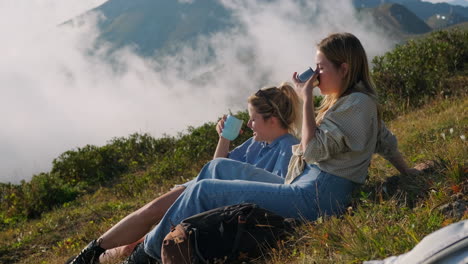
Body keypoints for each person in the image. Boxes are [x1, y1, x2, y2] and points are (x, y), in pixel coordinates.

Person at [118, 32, 425, 263]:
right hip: (306, 185)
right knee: (218, 167)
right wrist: (407, 171)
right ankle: (186, 231)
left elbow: (314, 150)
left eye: (321, 67)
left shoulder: (357, 103)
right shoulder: (348, 102)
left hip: (316, 196)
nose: (315, 75)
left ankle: (144, 257)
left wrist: (306, 100)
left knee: (203, 191)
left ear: (343, 68)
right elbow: (384, 140)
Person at [67, 83, 302, 264]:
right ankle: (91, 253)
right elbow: (216, 167)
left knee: (145, 234)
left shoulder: (287, 148)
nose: (250, 125)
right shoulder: (255, 143)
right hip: (207, 188)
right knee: (152, 211)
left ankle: (101, 256)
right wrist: (224, 139)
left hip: (218, 201)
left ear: (271, 120)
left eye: (253, 119)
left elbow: (273, 194)